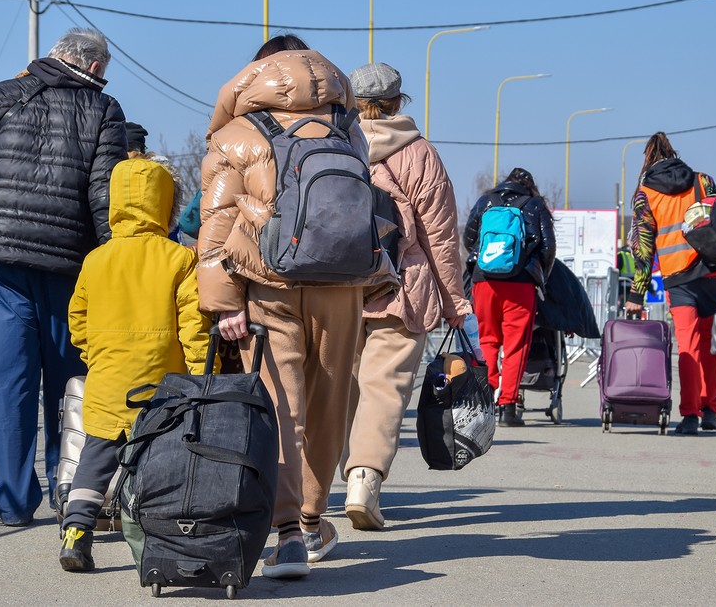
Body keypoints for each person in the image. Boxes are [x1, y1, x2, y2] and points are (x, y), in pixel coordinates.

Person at [197, 34, 392, 579]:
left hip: (269, 288)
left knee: (280, 408)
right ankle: (311, 519)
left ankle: (285, 536)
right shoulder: (348, 128)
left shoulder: (237, 134)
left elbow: (216, 225)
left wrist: (223, 304)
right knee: (330, 406)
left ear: (255, 75)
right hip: (342, 286)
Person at [0, 28, 127, 526]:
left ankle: (13, 502)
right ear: (94, 68)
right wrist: (112, 261)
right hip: (69, 263)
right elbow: (104, 197)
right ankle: (67, 489)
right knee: (69, 380)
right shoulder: (104, 110)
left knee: (10, 380)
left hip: (0, 259)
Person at [58, 156, 210, 571]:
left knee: (94, 460)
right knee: (162, 461)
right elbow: (193, 328)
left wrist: (95, 357)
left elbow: (78, 321)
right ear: (165, 204)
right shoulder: (179, 259)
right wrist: (202, 377)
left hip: (107, 381)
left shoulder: (96, 259)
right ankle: (158, 538)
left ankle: (76, 530)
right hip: (161, 388)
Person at [340, 63, 471, 530]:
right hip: (400, 285)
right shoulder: (419, 154)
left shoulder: (333, 144)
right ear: (399, 102)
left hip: (336, 287)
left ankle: (314, 492)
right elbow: (440, 236)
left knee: (338, 390)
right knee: (385, 388)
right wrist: (454, 301)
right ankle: (364, 480)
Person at [625, 132, 716, 435]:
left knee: (689, 345)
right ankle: (709, 409)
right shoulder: (702, 181)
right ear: (673, 155)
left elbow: (643, 248)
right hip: (711, 271)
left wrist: (636, 294)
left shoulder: (646, 193)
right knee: (710, 343)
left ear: (649, 160)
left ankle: (690, 415)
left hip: (678, 277)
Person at [463, 168, 556, 426]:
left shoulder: (486, 201)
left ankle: (485, 402)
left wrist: (487, 260)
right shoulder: (534, 205)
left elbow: (469, 238)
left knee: (487, 340)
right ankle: (508, 407)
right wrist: (540, 274)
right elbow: (548, 246)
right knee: (516, 346)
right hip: (520, 283)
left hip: (485, 281)